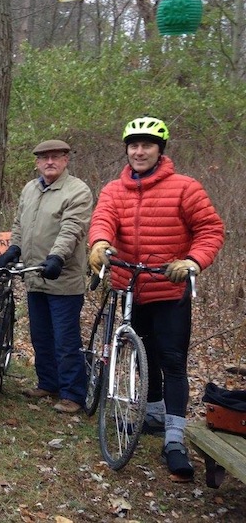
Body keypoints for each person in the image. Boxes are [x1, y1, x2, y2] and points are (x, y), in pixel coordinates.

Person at [88, 117, 224, 480]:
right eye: (133, 145)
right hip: (130, 285)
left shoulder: (185, 187)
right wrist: (100, 243)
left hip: (169, 287)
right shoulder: (114, 190)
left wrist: (193, 261)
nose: (139, 151)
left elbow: (210, 229)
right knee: (141, 356)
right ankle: (153, 413)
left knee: (172, 360)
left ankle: (174, 438)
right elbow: (102, 220)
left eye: (147, 144)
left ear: (160, 150)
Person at [0, 139, 92, 414]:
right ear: (37, 162)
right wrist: (14, 247)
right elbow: (18, 223)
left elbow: (72, 228)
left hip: (62, 277)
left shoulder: (77, 190)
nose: (49, 162)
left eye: (55, 157)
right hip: (34, 275)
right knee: (40, 335)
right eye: (44, 158)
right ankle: (48, 383)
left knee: (65, 339)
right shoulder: (30, 189)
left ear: (66, 160)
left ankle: (73, 393)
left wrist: (57, 256)